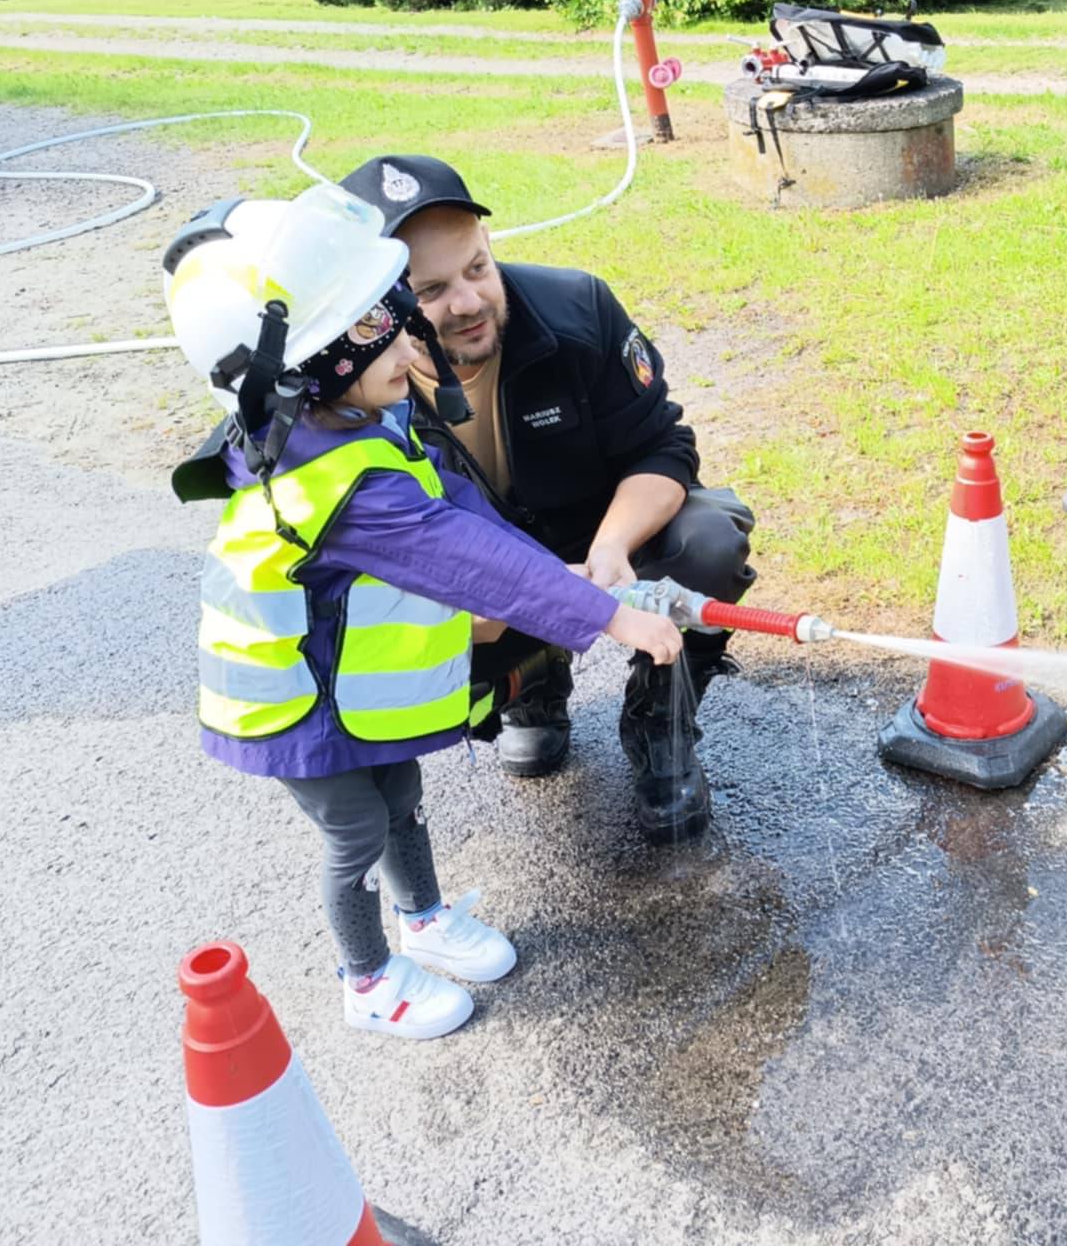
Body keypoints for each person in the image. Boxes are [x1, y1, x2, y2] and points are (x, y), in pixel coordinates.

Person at [165, 184, 683, 1040]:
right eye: (378, 328)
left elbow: (459, 513)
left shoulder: (347, 422)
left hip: (343, 681)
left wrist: (557, 577)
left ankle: (425, 919)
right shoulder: (343, 486)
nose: (412, 343)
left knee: (400, 794)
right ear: (310, 365)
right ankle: (367, 979)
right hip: (295, 701)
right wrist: (608, 614)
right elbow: (458, 552)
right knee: (355, 832)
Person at [339, 155, 755, 844]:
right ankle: (530, 688)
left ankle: (662, 717)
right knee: (397, 640)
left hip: (593, 539)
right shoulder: (347, 389)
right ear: (375, 304)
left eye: (477, 268)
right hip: (476, 580)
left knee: (709, 542)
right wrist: (497, 601)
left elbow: (663, 448)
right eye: (431, 290)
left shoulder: (578, 308)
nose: (468, 303)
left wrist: (613, 546)